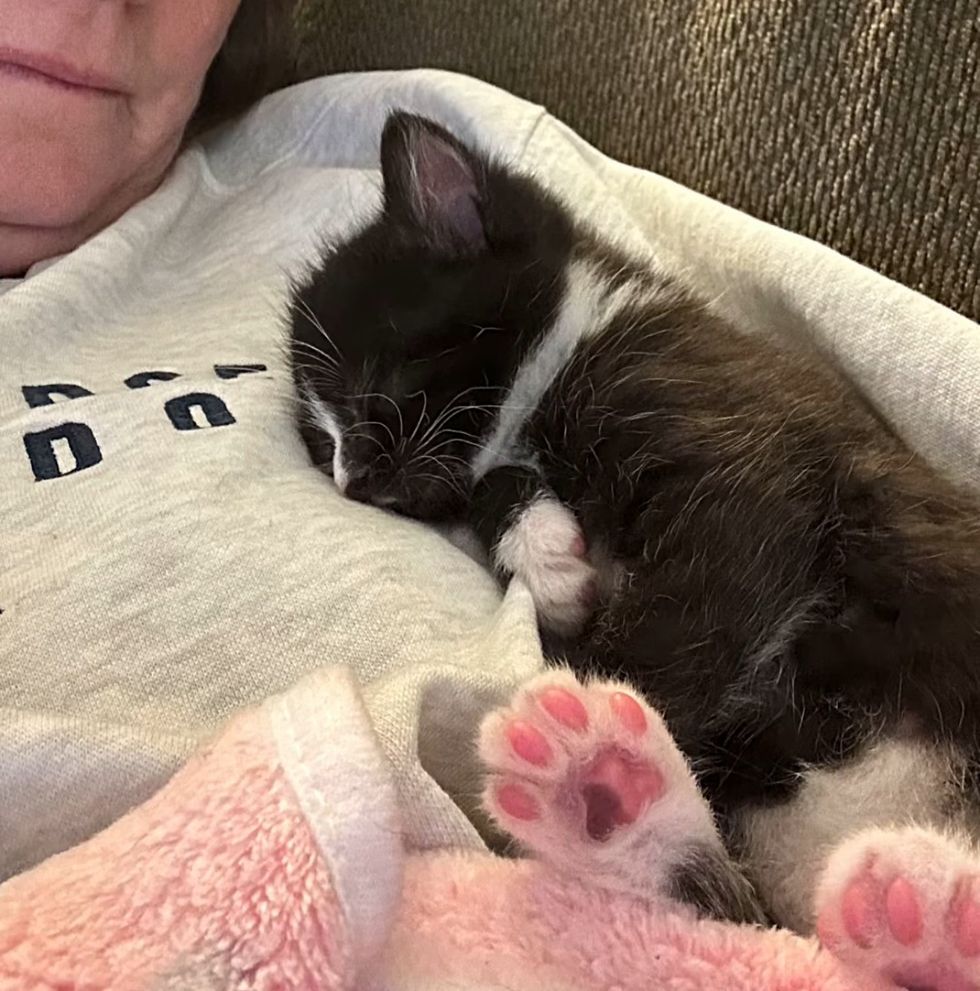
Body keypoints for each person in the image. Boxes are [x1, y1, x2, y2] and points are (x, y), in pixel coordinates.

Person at [2, 0, 978, 926]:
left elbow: (761, 487)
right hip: (745, 860)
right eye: (326, 442)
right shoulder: (526, 422)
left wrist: (592, 672)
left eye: (363, 415)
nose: (347, 481)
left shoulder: (605, 334)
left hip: (911, 698)